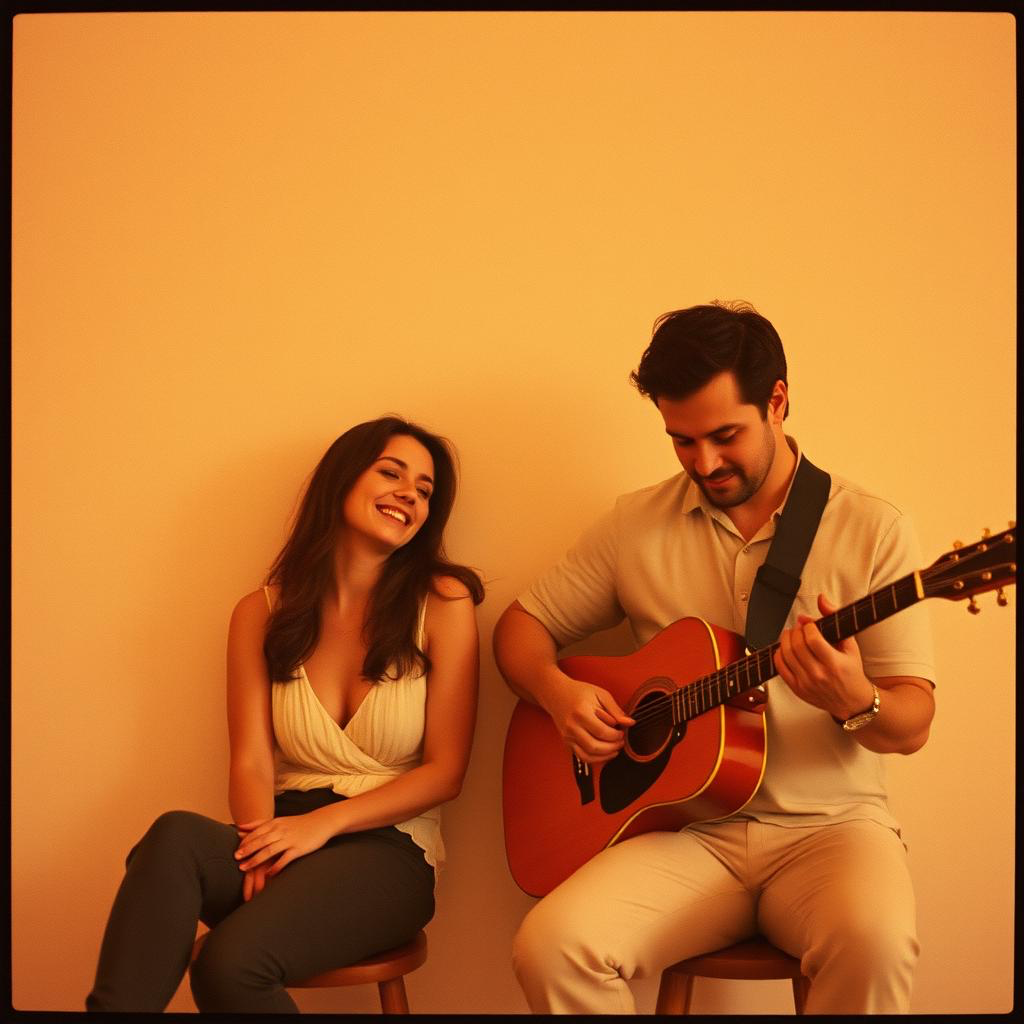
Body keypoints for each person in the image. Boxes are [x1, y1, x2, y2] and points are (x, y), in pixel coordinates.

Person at [494, 301, 935, 1015]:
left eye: (725, 435)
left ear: (777, 401)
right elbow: (519, 629)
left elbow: (913, 722)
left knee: (875, 943)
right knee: (551, 946)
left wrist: (856, 699)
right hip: (685, 833)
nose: (705, 463)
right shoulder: (633, 524)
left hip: (831, 828)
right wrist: (557, 693)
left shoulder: (872, 528)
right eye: (682, 441)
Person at [87, 416, 483, 1013]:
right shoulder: (261, 613)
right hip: (280, 831)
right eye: (391, 473)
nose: (409, 495)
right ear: (342, 479)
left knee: (230, 964)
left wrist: (320, 826)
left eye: (425, 491)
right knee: (175, 837)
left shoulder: (443, 603)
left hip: (390, 850)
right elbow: (251, 759)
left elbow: (445, 773)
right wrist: (259, 845)